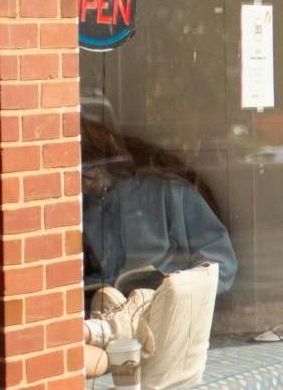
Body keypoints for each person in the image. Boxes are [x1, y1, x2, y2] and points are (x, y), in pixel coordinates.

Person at [81, 117, 239, 296]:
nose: (83, 187)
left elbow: (221, 266)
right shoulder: (85, 206)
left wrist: (177, 289)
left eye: (86, 177)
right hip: (115, 308)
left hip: (168, 305)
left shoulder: (169, 192)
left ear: (105, 161)